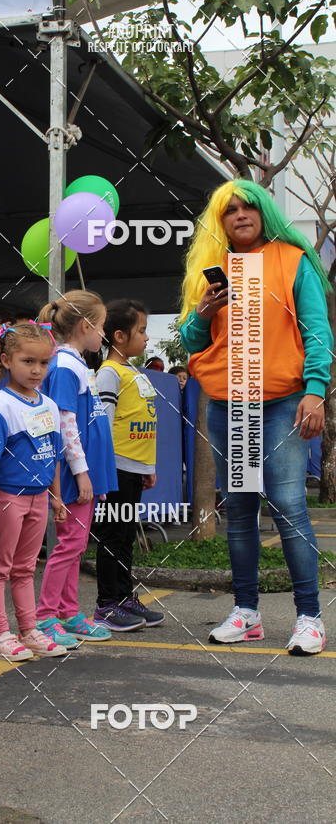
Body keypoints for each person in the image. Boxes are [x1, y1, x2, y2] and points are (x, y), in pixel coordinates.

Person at [179, 180, 332, 655]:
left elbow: (317, 329)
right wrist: (203, 313)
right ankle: (247, 613)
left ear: (264, 211)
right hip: (230, 404)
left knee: (289, 505)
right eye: (229, 210)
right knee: (241, 512)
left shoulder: (293, 260)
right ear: (220, 221)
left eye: (248, 206)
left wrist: (316, 392)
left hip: (284, 402)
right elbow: (190, 341)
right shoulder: (213, 271)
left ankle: (309, 617)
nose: (240, 214)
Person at [0, 321, 67, 661]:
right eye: (28, 361)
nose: (37, 370)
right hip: (9, 498)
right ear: (7, 360)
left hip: (39, 497)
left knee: (26, 568)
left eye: (43, 362)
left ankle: (29, 630)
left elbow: (55, 454)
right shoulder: (2, 404)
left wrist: (56, 496)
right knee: (0, 567)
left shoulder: (49, 405)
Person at [35, 290, 116, 648]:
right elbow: (65, 422)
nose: (104, 334)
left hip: (84, 471)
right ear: (85, 326)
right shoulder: (66, 366)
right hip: (74, 473)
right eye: (101, 327)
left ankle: (67, 611)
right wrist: (81, 471)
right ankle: (46, 615)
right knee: (69, 545)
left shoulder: (75, 363)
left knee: (75, 544)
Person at [93, 299, 165, 630]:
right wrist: (106, 471)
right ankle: (107, 604)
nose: (147, 338)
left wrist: (147, 467)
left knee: (125, 537)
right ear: (119, 336)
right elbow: (104, 426)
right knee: (112, 536)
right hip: (116, 471)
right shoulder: (109, 373)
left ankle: (124, 597)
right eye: (141, 331)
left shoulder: (131, 372)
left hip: (134, 470)